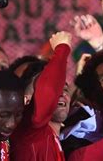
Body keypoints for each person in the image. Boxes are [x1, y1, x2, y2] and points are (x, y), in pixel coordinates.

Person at [10, 31, 72, 161]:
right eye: (56, 87)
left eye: (64, 88)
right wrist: (62, 48)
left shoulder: (56, 140)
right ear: (25, 99)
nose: (59, 93)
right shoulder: (27, 129)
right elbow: (49, 90)